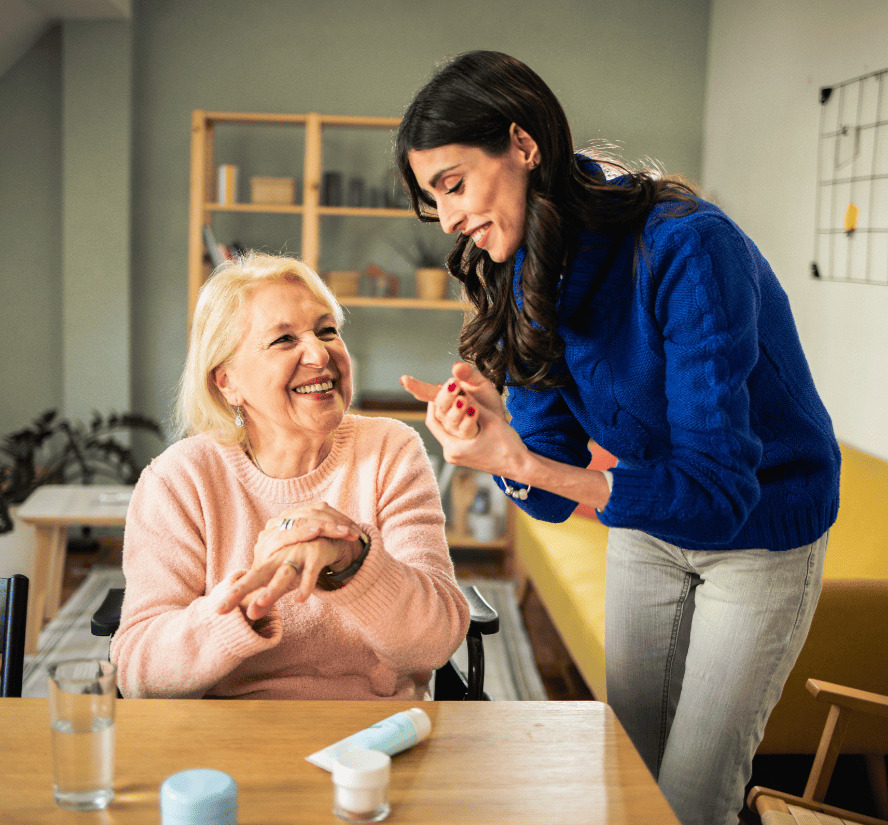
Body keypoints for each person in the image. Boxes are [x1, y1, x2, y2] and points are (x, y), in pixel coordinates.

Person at [396, 50, 840, 825]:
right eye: (434, 200)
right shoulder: (523, 265)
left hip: (763, 527)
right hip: (651, 514)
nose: (449, 217)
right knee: (625, 768)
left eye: (454, 184)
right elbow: (549, 486)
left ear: (523, 144)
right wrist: (497, 443)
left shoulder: (688, 246)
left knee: (692, 796)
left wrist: (527, 463)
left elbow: (718, 495)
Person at [112, 252, 469, 701]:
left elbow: (435, 642)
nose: (321, 354)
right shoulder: (180, 479)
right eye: (284, 339)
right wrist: (237, 610)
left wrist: (352, 561)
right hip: (232, 735)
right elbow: (138, 671)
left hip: (374, 734)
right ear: (227, 382)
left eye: (327, 331)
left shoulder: (390, 451)